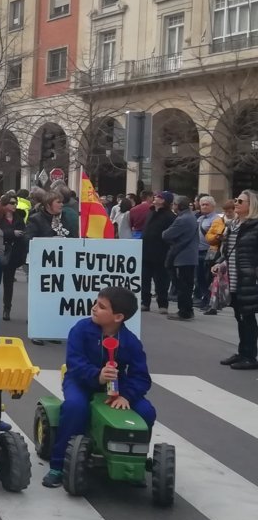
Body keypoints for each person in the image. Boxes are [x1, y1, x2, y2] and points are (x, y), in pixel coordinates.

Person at [41, 287, 155, 488]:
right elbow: (74, 363)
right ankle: (59, 464)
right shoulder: (81, 330)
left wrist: (127, 396)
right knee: (76, 407)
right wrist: (97, 376)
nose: (93, 308)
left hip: (118, 387)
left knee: (146, 412)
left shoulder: (130, 342)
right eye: (95, 303)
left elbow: (141, 377)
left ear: (118, 316)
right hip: (80, 380)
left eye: (101, 307)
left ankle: (133, 461)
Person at [215, 190, 258, 369]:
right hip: (232, 278)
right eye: (236, 200)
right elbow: (228, 251)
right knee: (239, 316)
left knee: (247, 317)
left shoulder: (254, 226)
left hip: (248, 279)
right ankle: (242, 352)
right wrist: (221, 264)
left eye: (241, 201)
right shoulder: (233, 225)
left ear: (251, 205)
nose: (236, 203)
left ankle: (249, 356)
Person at [162, 195, 199, 321]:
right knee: (186, 285)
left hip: (183, 257)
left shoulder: (183, 219)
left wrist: (167, 235)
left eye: (174, 204)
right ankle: (187, 310)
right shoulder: (190, 216)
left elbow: (166, 234)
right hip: (188, 256)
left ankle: (184, 311)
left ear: (178, 206)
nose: (173, 206)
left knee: (183, 286)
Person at [141, 191, 174, 313]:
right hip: (146, 251)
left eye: (159, 197)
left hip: (161, 253)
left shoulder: (169, 216)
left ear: (165, 201)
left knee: (161, 281)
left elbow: (170, 235)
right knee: (145, 279)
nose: (156, 197)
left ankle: (163, 303)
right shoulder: (150, 212)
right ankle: (145, 302)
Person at [203, 199, 236, 315]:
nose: (227, 213)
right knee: (214, 280)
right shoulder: (219, 221)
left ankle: (219, 302)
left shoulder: (238, 222)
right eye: (226, 210)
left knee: (223, 282)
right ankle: (213, 304)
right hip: (218, 254)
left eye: (230, 210)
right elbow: (208, 237)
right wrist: (217, 237)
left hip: (229, 257)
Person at [0, 196, 27, 321]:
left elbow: (25, 233)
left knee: (8, 283)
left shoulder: (19, 218)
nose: (14, 205)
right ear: (4, 205)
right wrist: (11, 233)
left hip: (13, 254)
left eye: (15, 203)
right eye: (12, 203)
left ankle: (7, 309)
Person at [194, 196, 219, 311]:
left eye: (206, 204)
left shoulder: (216, 219)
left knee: (207, 278)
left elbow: (217, 237)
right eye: (202, 204)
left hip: (209, 253)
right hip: (198, 251)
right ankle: (205, 298)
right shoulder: (200, 219)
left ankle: (209, 300)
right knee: (199, 278)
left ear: (213, 206)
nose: (203, 206)